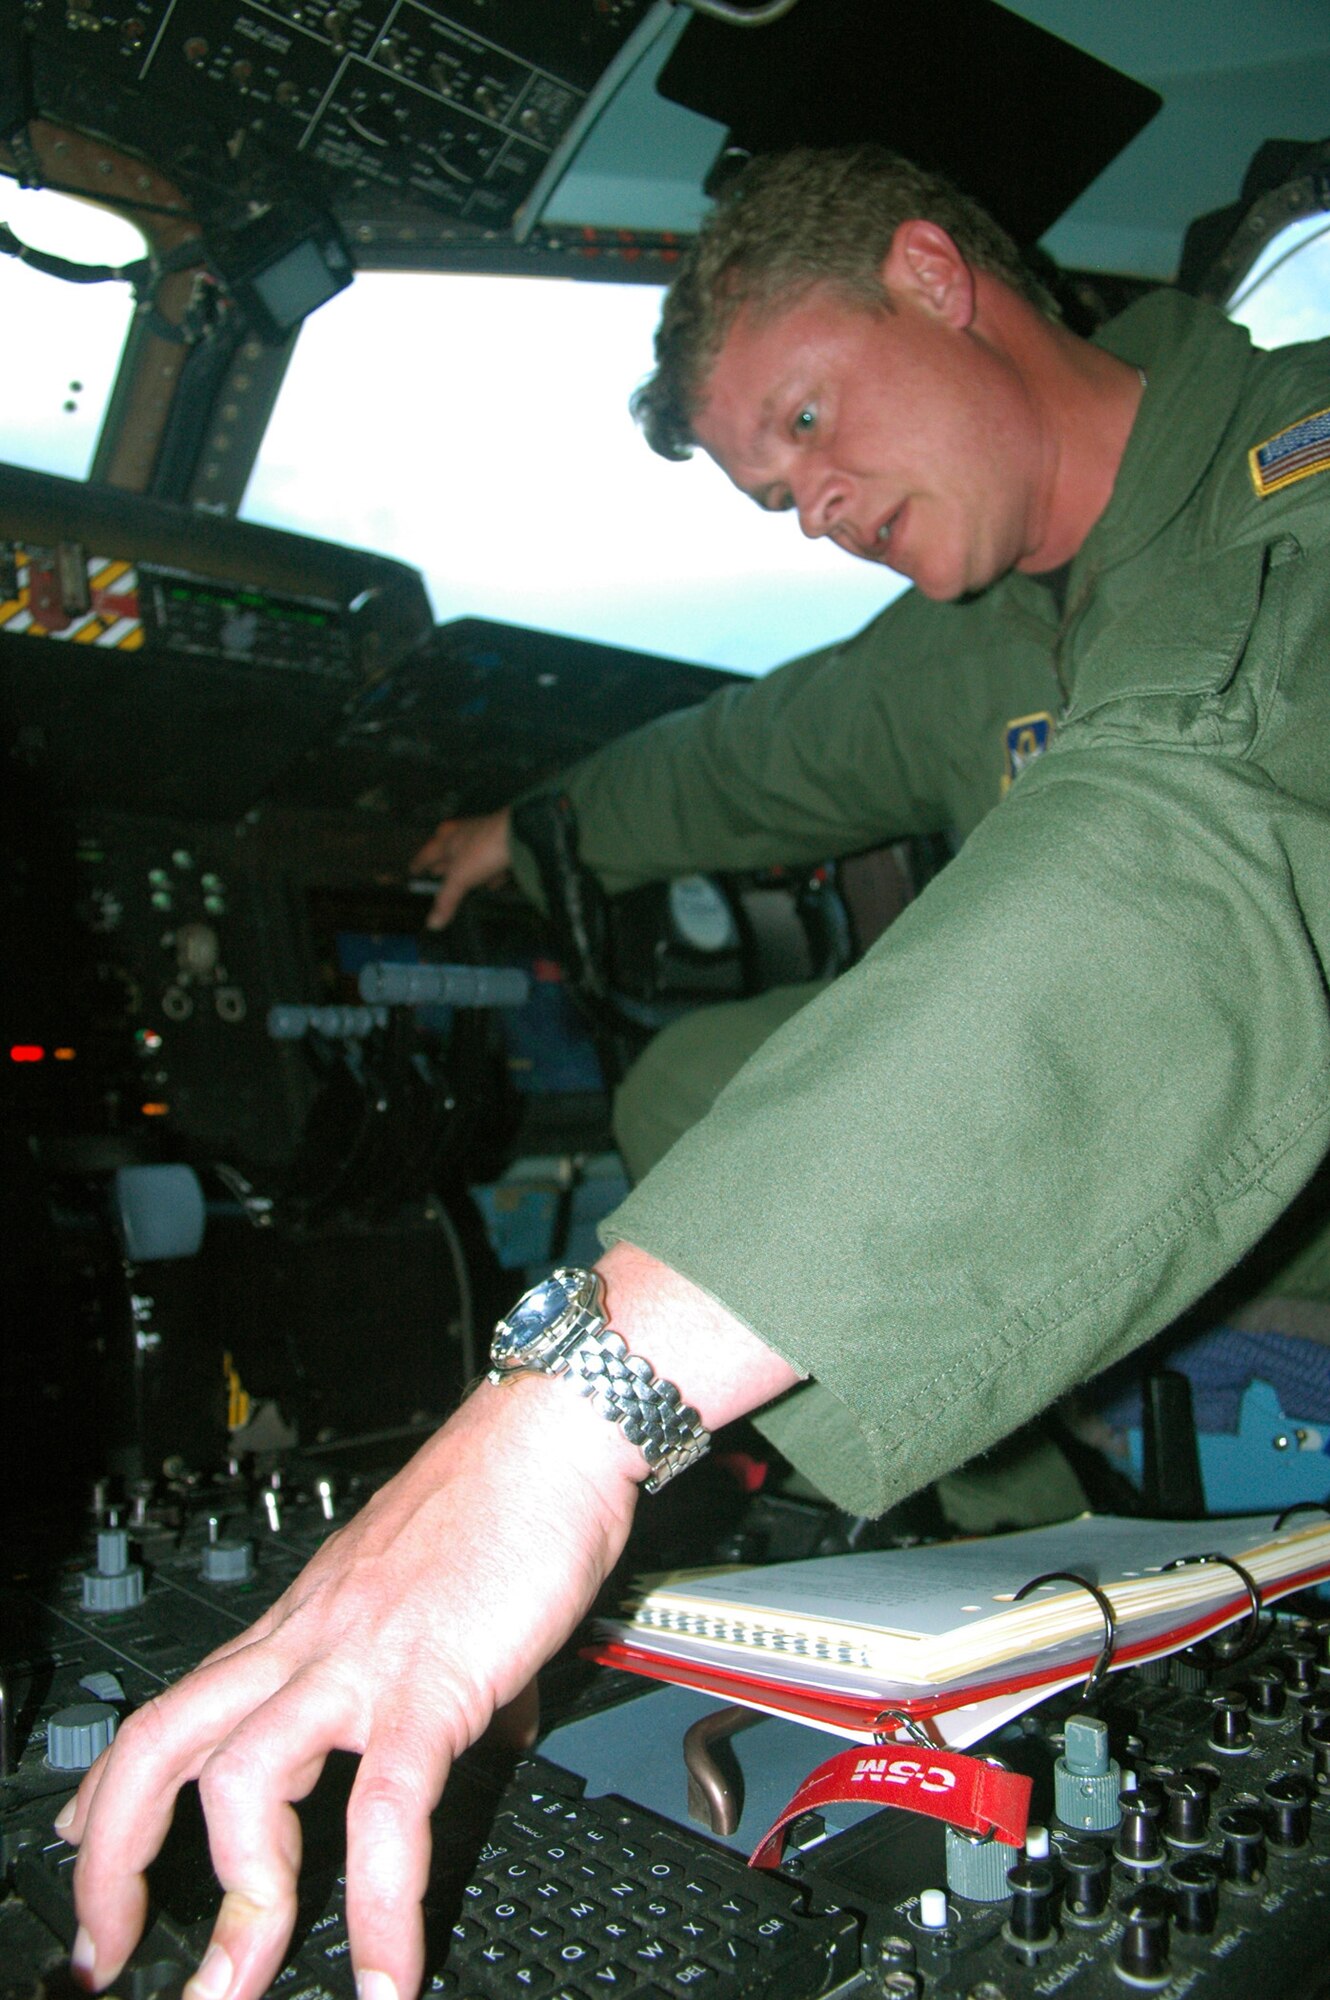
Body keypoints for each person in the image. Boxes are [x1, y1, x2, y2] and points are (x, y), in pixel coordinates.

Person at [62, 147, 1330, 2000]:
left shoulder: (1287, 476)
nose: (810, 505)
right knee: (698, 1085)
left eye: (808, 421)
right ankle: (1017, 1575)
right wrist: (531, 823)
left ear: (931, 270)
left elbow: (1200, 849)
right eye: (769, 490)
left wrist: (569, 1420)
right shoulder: (974, 632)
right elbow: (745, 758)